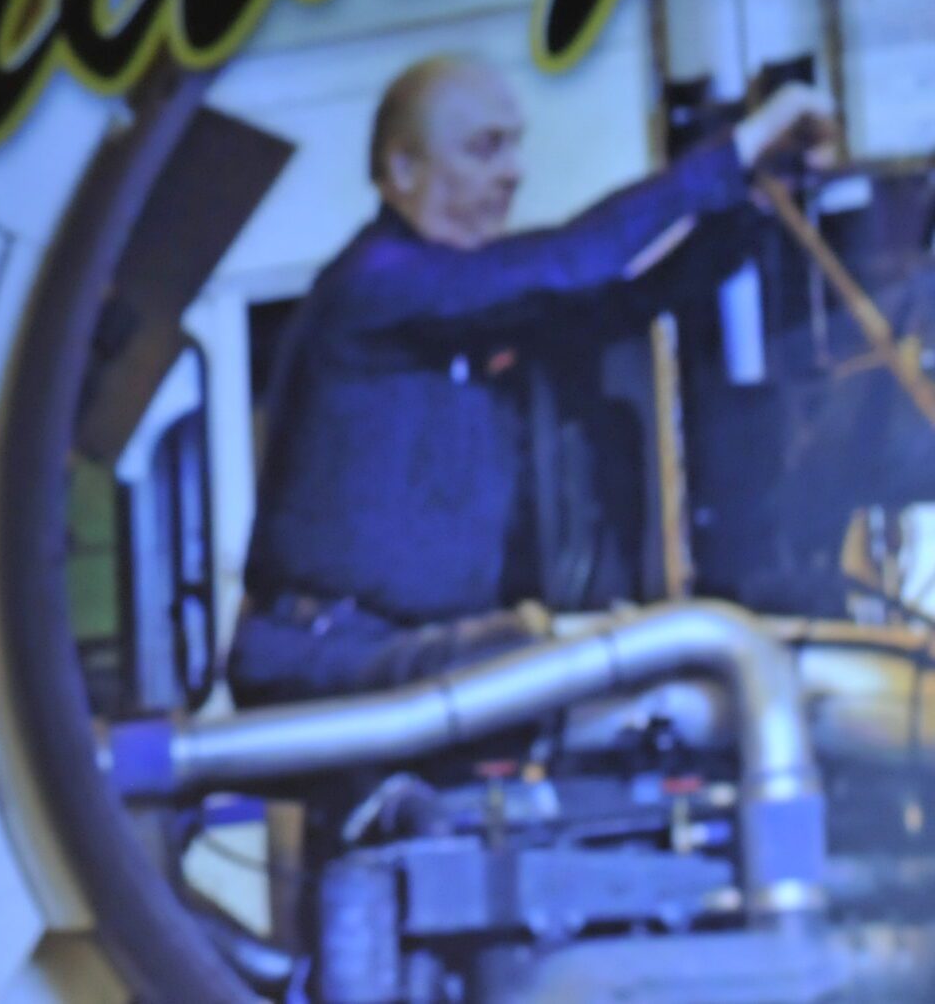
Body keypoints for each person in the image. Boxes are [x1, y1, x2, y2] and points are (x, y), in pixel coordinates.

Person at [226, 53, 831, 707]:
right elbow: (571, 261)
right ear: (403, 169)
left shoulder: (456, 307)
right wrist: (736, 150)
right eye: (487, 150)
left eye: (515, 147)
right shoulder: (374, 283)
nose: (514, 173)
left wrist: (753, 208)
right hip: (333, 654)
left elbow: (620, 302)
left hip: (402, 655)